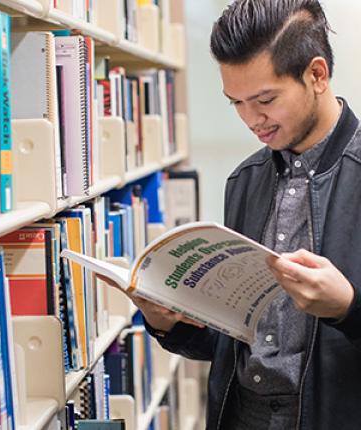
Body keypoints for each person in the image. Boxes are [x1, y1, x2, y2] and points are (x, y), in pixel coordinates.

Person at [108, 0, 361, 428]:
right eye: (235, 103)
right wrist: (166, 322)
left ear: (316, 75)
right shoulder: (245, 180)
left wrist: (348, 307)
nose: (252, 120)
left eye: (265, 99)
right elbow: (235, 343)